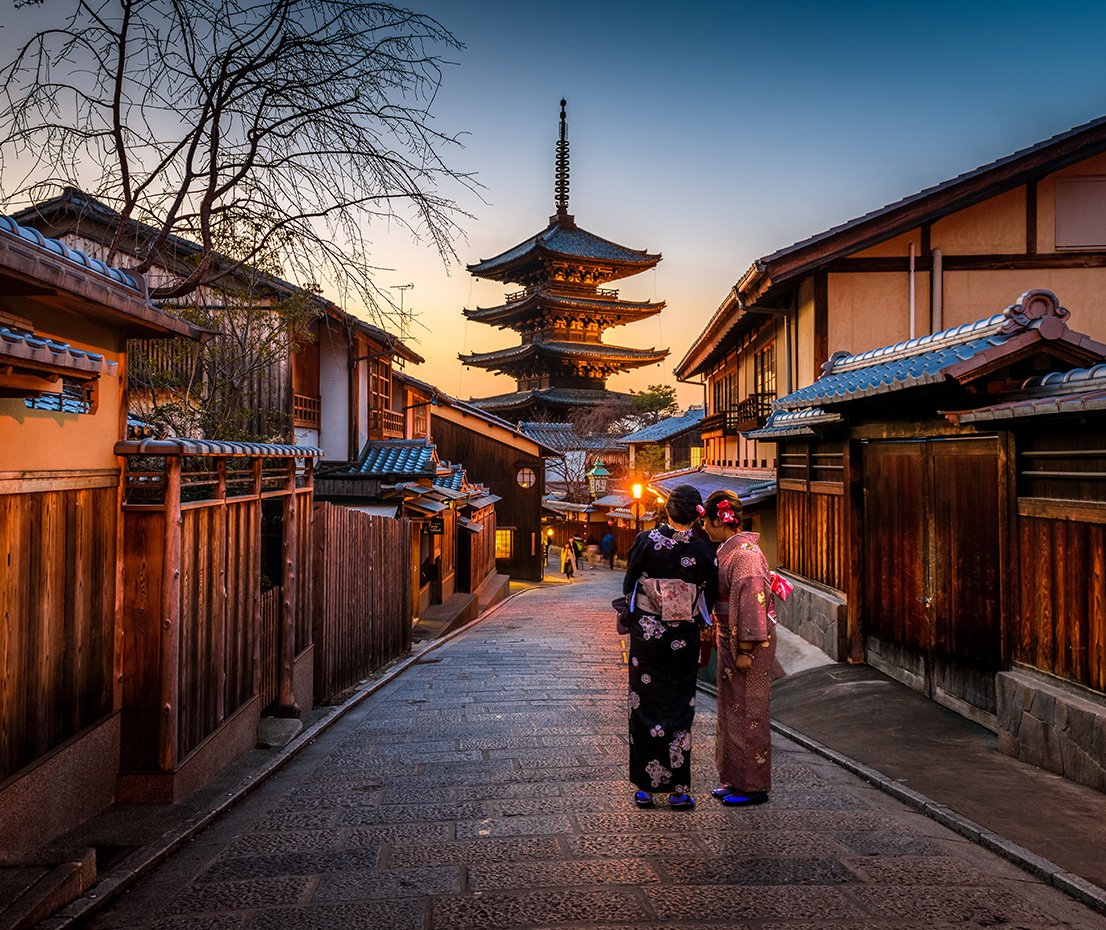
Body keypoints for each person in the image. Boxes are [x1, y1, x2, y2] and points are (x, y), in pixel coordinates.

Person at [622, 484, 718, 810]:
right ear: (696, 515)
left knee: (644, 704)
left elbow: (630, 582)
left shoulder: (645, 541)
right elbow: (711, 594)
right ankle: (679, 789)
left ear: (667, 510)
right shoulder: (704, 550)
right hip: (683, 638)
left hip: (648, 636)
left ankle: (646, 789)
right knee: (679, 707)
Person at [700, 489, 775, 806]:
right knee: (731, 708)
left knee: (750, 711)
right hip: (730, 636)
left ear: (721, 519)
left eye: (707, 521)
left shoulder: (743, 555)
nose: (704, 527)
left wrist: (745, 648)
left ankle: (753, 785)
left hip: (747, 643)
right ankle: (734, 778)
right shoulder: (730, 550)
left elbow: (751, 602)